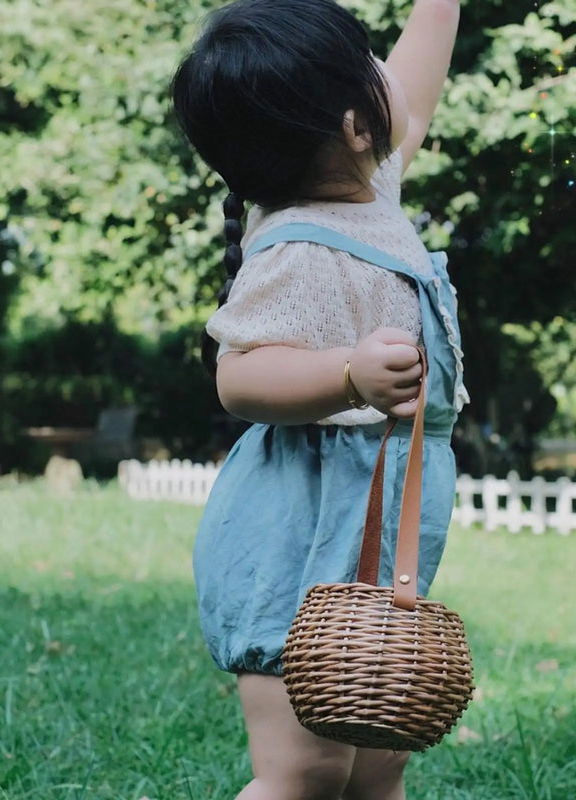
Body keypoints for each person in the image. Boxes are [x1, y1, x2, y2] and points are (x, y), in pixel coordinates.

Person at [171, 1, 466, 797]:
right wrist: (345, 375)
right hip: (299, 542)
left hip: (371, 539)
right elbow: (238, 377)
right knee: (304, 771)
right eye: (370, 63)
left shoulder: (371, 190)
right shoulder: (298, 246)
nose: (387, 72)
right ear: (354, 128)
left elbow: (414, 98)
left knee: (378, 760)